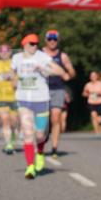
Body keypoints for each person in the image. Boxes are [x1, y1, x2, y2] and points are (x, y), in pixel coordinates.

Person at [11, 33, 66, 179]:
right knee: (28, 134)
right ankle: (30, 167)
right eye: (31, 43)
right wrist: (12, 80)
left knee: (40, 135)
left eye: (36, 43)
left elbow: (60, 71)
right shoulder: (17, 58)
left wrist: (43, 68)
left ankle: (40, 152)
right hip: (23, 100)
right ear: (24, 44)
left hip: (41, 100)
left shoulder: (42, 57)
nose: (34, 46)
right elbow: (13, 75)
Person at [42, 29, 76, 158]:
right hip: (42, 90)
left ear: (58, 40)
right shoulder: (39, 54)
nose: (52, 41)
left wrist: (68, 74)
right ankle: (44, 136)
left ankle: (54, 148)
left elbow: (72, 72)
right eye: (50, 39)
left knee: (56, 118)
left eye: (54, 39)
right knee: (43, 119)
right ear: (45, 40)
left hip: (58, 89)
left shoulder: (62, 56)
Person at [0, 43, 20, 154]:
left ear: (10, 52)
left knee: (13, 122)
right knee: (5, 120)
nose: (4, 53)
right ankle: (8, 144)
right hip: (0, 96)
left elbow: (20, 76)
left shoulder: (15, 63)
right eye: (1, 51)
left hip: (14, 96)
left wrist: (15, 81)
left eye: (6, 51)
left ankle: (12, 137)